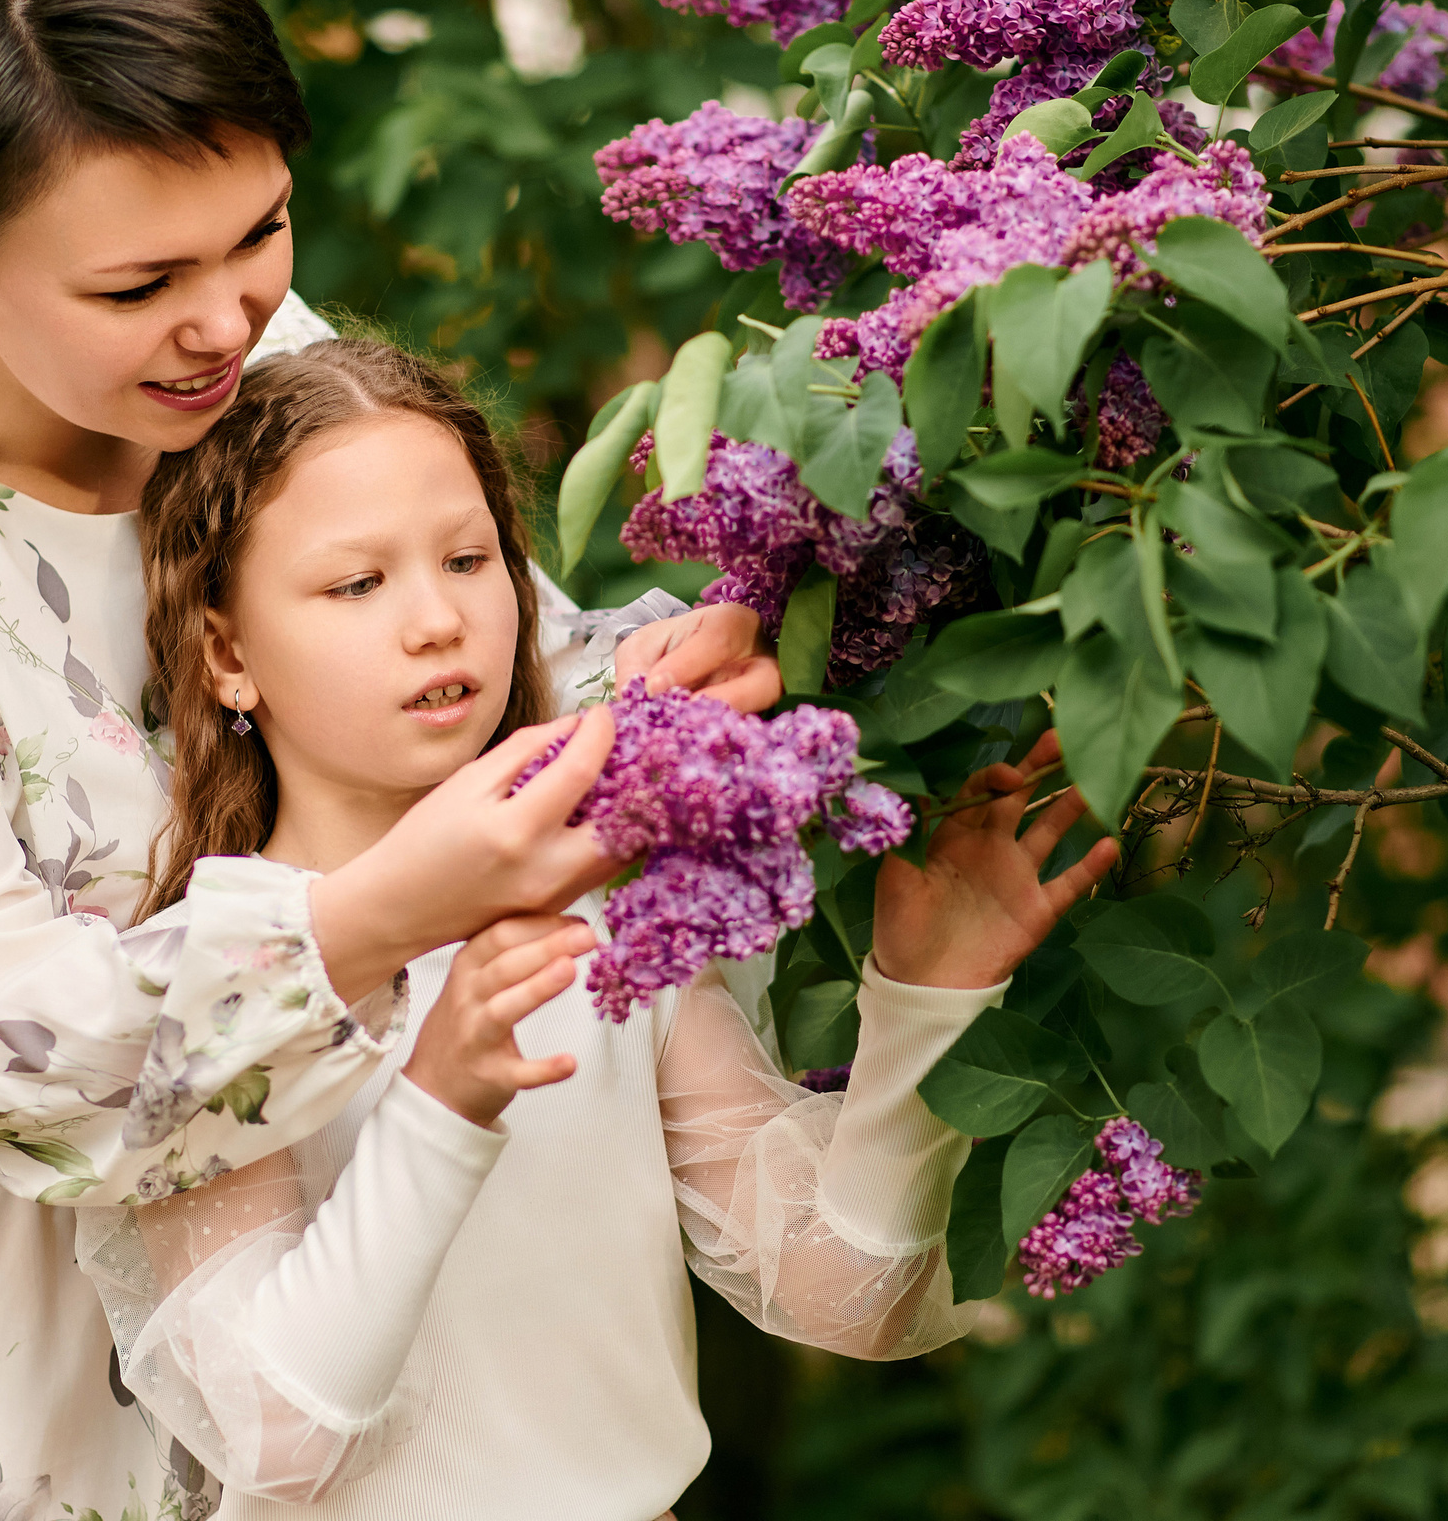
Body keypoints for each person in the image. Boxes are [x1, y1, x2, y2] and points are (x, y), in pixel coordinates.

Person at [0, 0, 777, 1521]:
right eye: (137, 285)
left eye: (260, 229)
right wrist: (376, 912)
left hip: (351, 1305)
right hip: (19, 1363)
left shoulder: (249, 357)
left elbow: (512, 657)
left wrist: (675, 672)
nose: (224, 321)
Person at [74, 337, 1117, 1518]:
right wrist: (438, 1102)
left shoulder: (609, 903)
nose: (435, 620)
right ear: (225, 653)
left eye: (470, 559)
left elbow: (846, 1294)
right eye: (356, 583)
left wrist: (925, 1004)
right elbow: (278, 1438)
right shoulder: (206, 979)